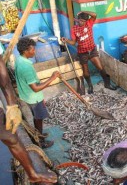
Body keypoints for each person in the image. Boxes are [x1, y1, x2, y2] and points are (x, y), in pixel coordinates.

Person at [0, 55, 57, 183]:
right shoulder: (25, 65)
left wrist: (12, 106)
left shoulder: (20, 61)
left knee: (11, 137)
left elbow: (4, 76)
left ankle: (32, 173)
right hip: (32, 98)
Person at [15, 37, 60, 148]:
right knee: (39, 118)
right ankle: (40, 141)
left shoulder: (19, 59)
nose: (34, 51)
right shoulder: (26, 66)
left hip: (25, 95)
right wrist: (52, 77)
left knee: (37, 117)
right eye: (32, 50)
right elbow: (35, 88)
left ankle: (38, 134)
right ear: (25, 51)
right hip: (33, 97)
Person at [61, 11, 116, 93]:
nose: (81, 22)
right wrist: (66, 40)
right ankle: (90, 86)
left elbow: (95, 15)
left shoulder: (89, 23)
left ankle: (107, 84)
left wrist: (83, 11)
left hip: (92, 50)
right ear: (77, 20)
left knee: (100, 68)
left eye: (83, 21)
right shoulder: (74, 29)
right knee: (86, 72)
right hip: (82, 53)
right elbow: (73, 42)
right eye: (80, 20)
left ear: (86, 21)